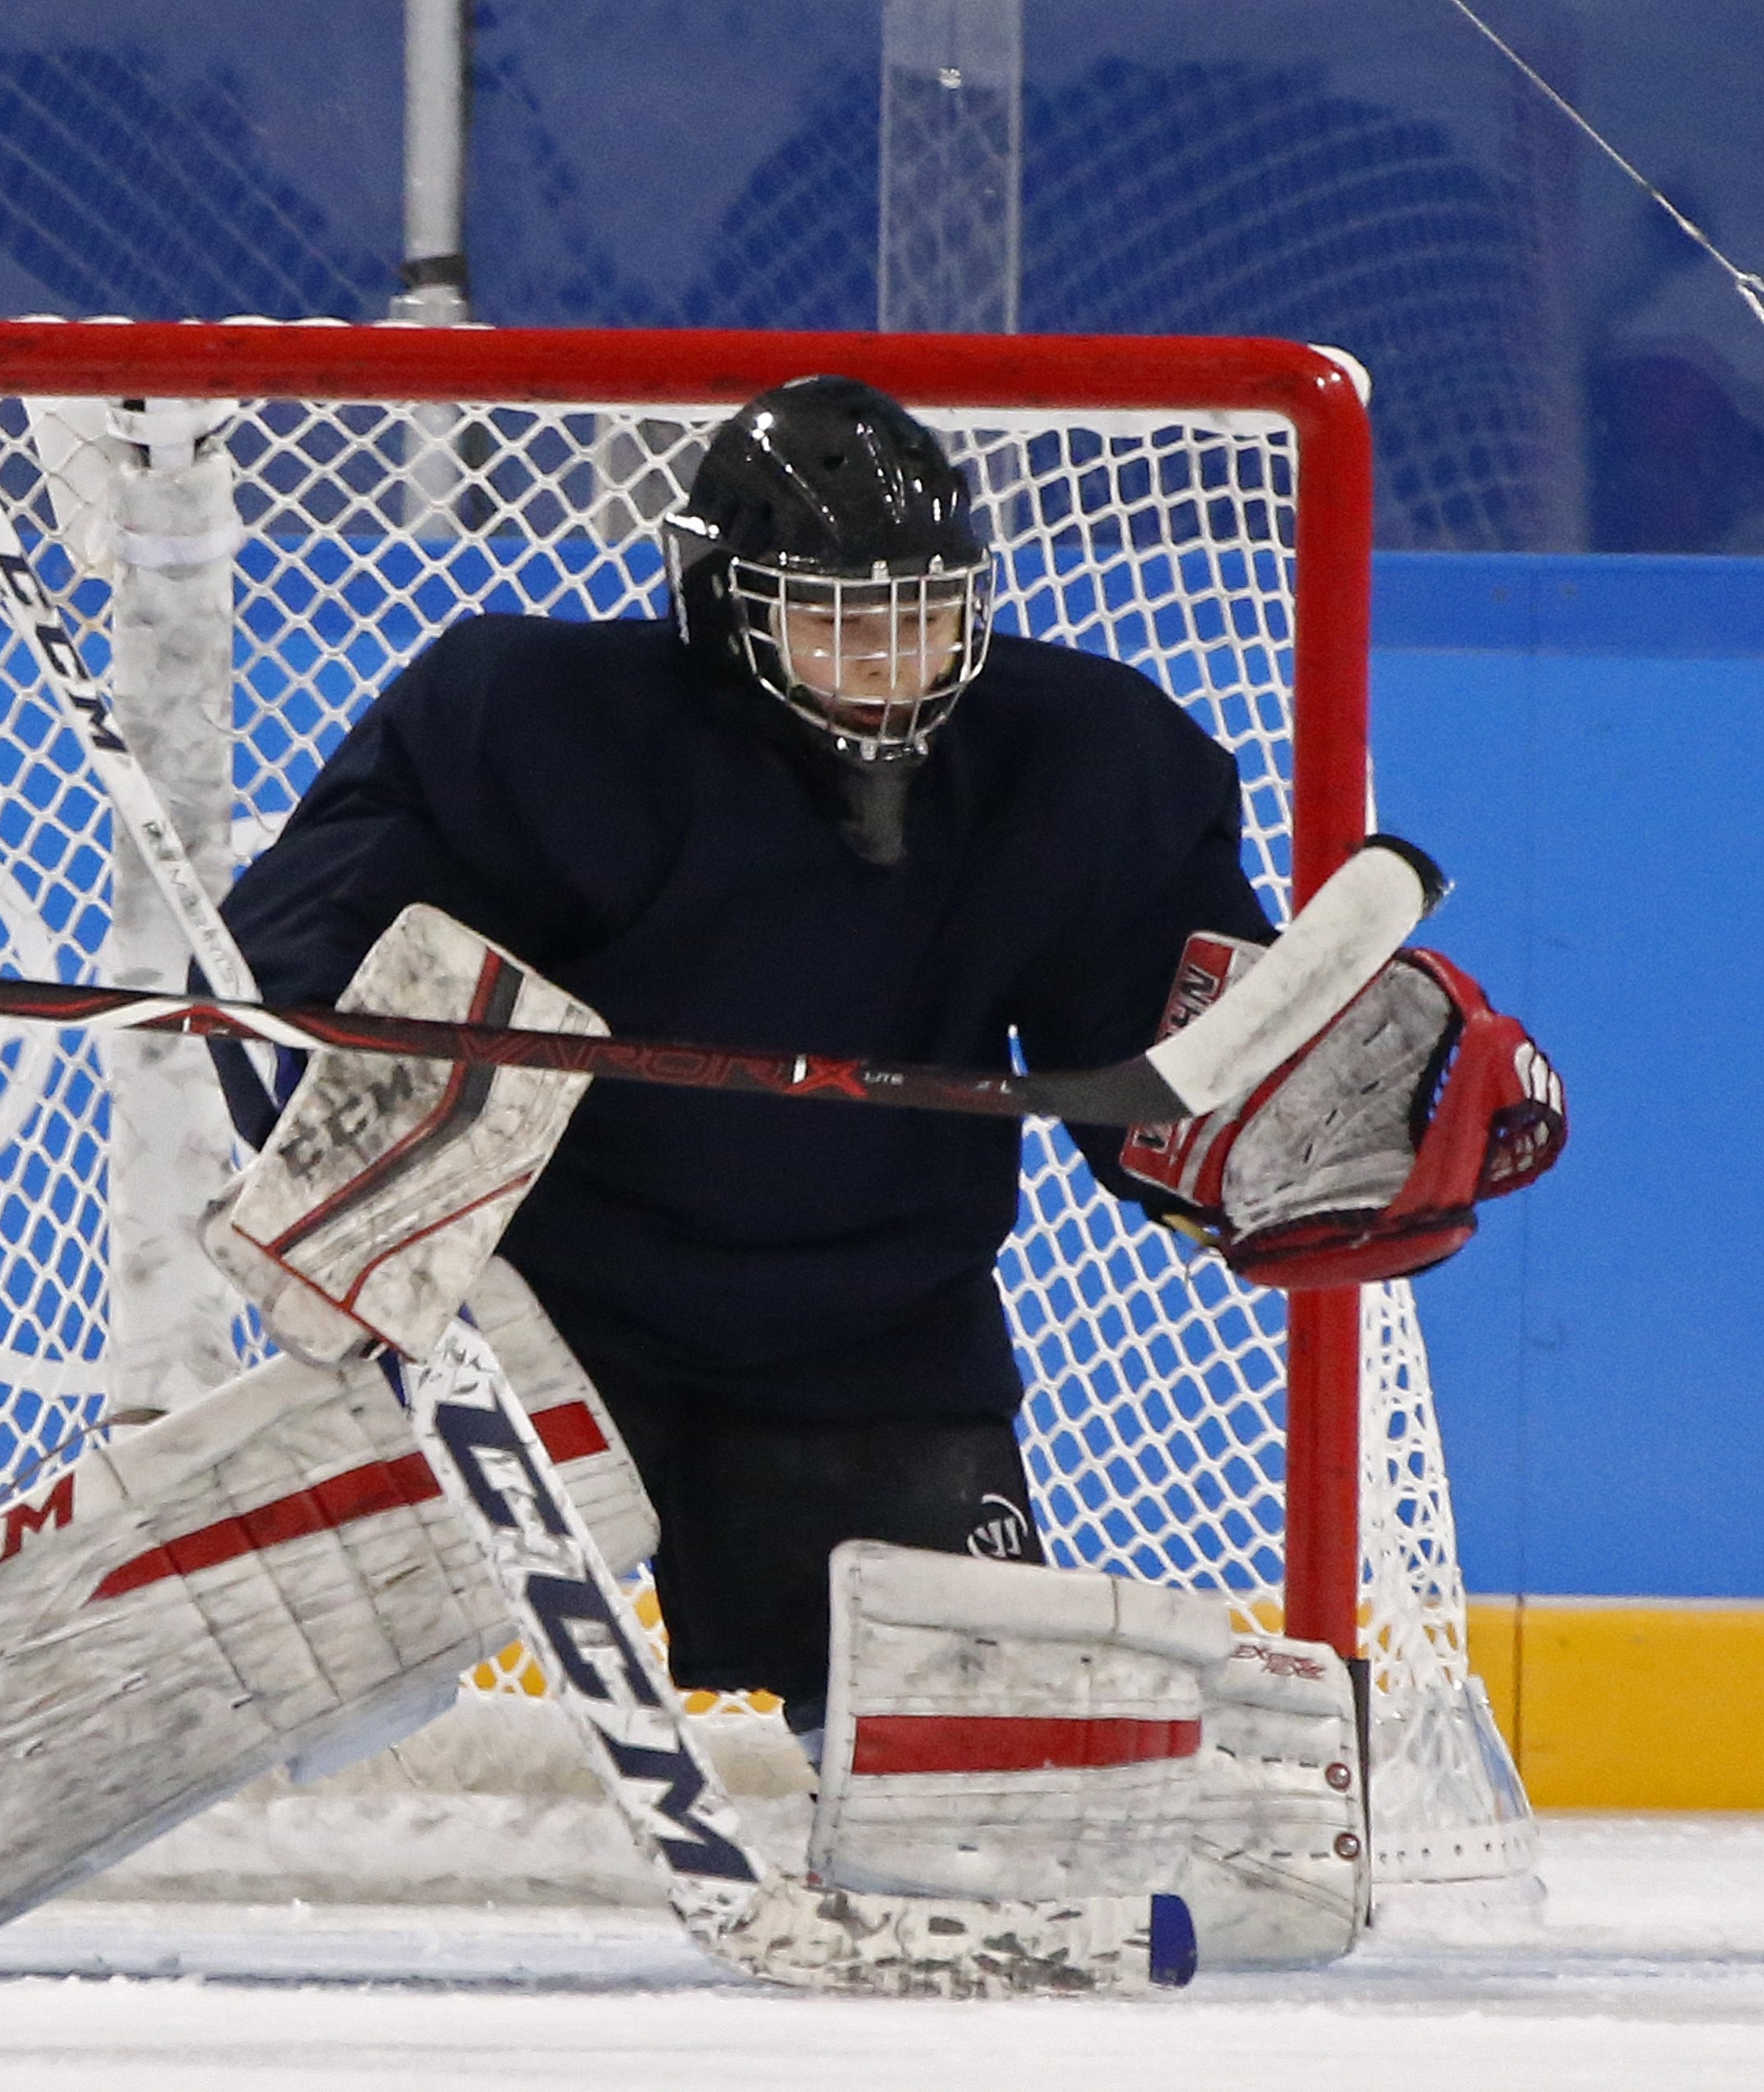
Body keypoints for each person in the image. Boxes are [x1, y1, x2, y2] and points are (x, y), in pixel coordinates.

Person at [210, 373, 1534, 1760]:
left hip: (875, 1332)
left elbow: (1161, 1057)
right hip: (542, 1317)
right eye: (840, 619)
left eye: (928, 611)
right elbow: (307, 965)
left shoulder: (1069, 758)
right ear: (723, 602)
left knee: (976, 1757)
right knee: (272, 1687)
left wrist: (1318, 1113)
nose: (897, 659)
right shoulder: (542, 723)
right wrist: (336, 1126)